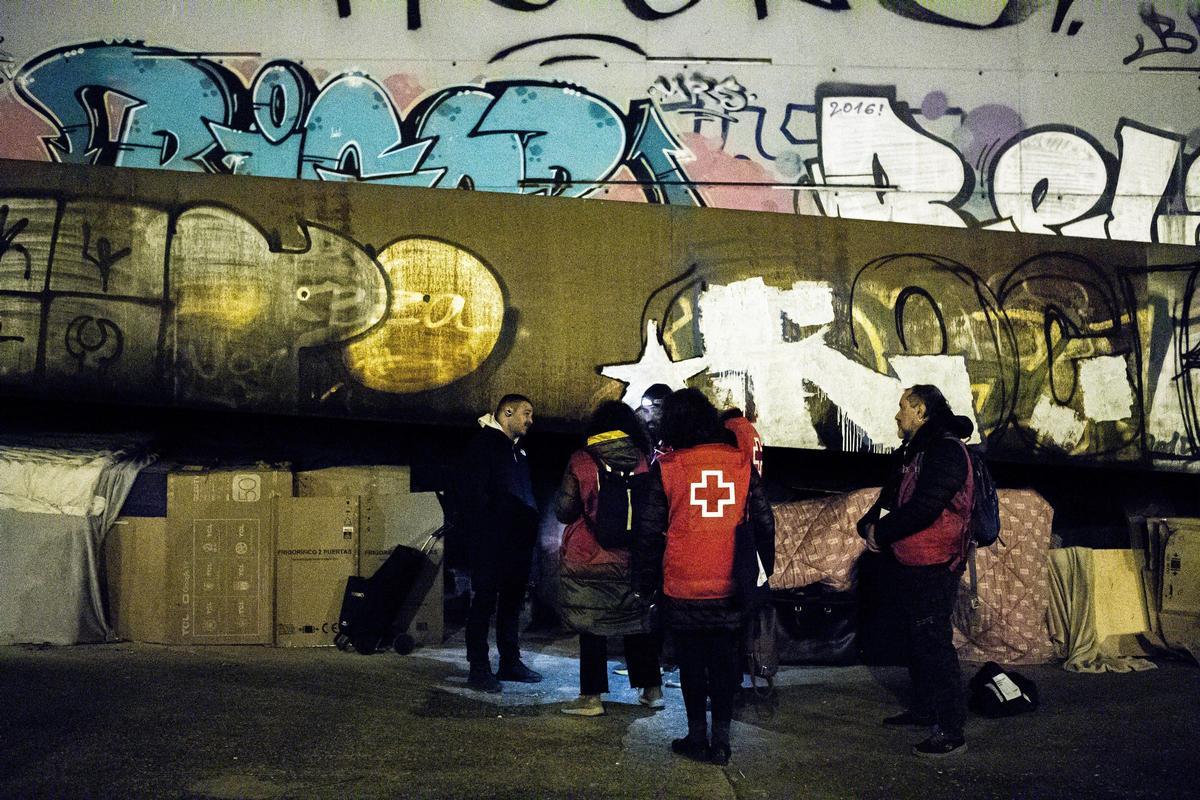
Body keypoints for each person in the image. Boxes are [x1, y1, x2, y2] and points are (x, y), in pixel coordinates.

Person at [635, 388, 775, 766]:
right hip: (730, 583)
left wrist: (643, 583)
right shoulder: (740, 463)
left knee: (691, 663)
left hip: (682, 584)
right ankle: (723, 741)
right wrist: (763, 573)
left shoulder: (668, 467)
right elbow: (764, 520)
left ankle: (697, 736)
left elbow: (649, 533)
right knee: (726, 661)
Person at [857, 384, 975, 758]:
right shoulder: (917, 450)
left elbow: (926, 506)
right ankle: (926, 710)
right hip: (913, 559)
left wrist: (883, 532)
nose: (897, 415)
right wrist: (868, 526)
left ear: (921, 410)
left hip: (937, 563)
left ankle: (951, 728)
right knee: (916, 637)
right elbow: (891, 498)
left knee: (932, 640)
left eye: (902, 407)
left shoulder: (945, 450)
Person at [555, 401, 662, 716]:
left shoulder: (583, 460)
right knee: (635, 624)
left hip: (588, 558)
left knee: (592, 627)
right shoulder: (643, 460)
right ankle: (652, 691)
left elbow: (565, 510)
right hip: (630, 559)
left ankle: (591, 699)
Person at [459, 393, 543, 693]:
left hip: (516, 545)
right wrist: (489, 533)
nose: (530, 421)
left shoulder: (518, 451)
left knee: (511, 603)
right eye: (526, 414)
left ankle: (509, 662)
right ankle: (478, 668)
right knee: (483, 603)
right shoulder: (483, 446)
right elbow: (473, 498)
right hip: (491, 543)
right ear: (507, 412)